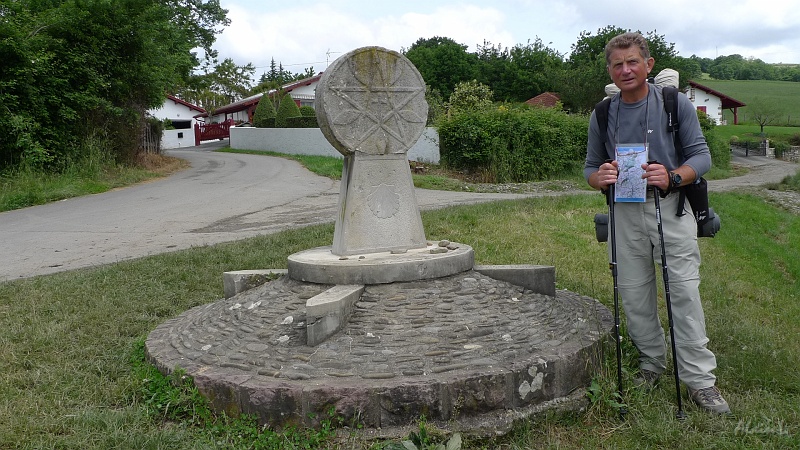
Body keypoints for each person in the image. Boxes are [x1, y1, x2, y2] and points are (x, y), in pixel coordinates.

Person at [584, 32, 731, 415]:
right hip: (623, 212)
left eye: (632, 62)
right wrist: (597, 178)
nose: (625, 70)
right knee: (634, 294)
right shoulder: (602, 113)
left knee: (683, 293)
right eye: (617, 64)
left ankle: (700, 381)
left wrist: (673, 177)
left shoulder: (674, 103)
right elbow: (589, 166)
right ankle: (652, 364)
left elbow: (701, 157)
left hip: (671, 209)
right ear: (610, 70)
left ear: (648, 65)